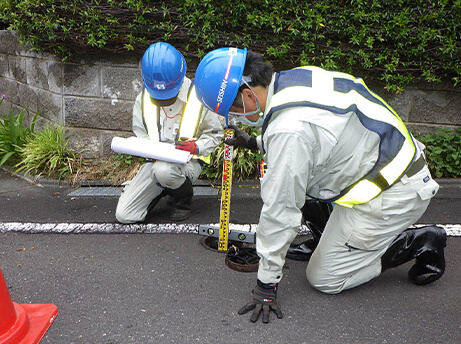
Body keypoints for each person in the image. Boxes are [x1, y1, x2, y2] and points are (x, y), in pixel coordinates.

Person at [193, 47, 446, 324]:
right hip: (383, 163)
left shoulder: (290, 130)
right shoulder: (294, 79)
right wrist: (254, 142)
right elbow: (312, 134)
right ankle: (330, 239)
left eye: (233, 108)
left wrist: (266, 285)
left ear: (247, 94)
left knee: (324, 278)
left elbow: (280, 210)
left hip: (395, 192)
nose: (236, 116)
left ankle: (421, 242)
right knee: (302, 179)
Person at [116, 43, 223, 223]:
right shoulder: (143, 98)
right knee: (125, 215)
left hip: (188, 164)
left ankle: (182, 198)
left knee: (164, 170)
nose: (164, 98)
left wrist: (196, 147)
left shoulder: (199, 96)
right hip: (155, 164)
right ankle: (165, 187)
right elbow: (142, 134)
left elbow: (215, 135)